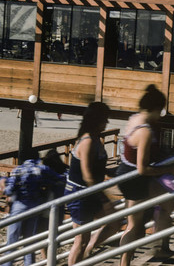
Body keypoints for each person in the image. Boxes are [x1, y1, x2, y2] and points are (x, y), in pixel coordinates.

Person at [116, 84, 174, 265]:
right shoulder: (144, 131)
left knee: (135, 223)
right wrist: (169, 170)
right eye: (159, 111)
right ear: (155, 109)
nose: (160, 116)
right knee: (136, 225)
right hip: (135, 179)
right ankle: (157, 246)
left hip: (127, 174)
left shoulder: (134, 118)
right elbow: (142, 168)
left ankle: (155, 244)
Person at [64, 102, 121, 265]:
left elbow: (97, 169)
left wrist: (113, 172)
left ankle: (89, 251)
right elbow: (88, 176)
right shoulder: (87, 141)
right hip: (80, 194)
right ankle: (83, 254)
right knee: (81, 239)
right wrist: (105, 200)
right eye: (105, 119)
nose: (107, 123)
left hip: (91, 192)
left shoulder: (95, 139)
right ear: (97, 120)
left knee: (115, 222)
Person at [3, 152, 66, 266]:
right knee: (30, 239)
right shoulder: (42, 169)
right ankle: (29, 263)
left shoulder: (18, 170)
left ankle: (7, 263)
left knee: (13, 237)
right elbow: (60, 179)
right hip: (35, 206)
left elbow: (9, 190)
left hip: (20, 205)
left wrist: (1, 183)